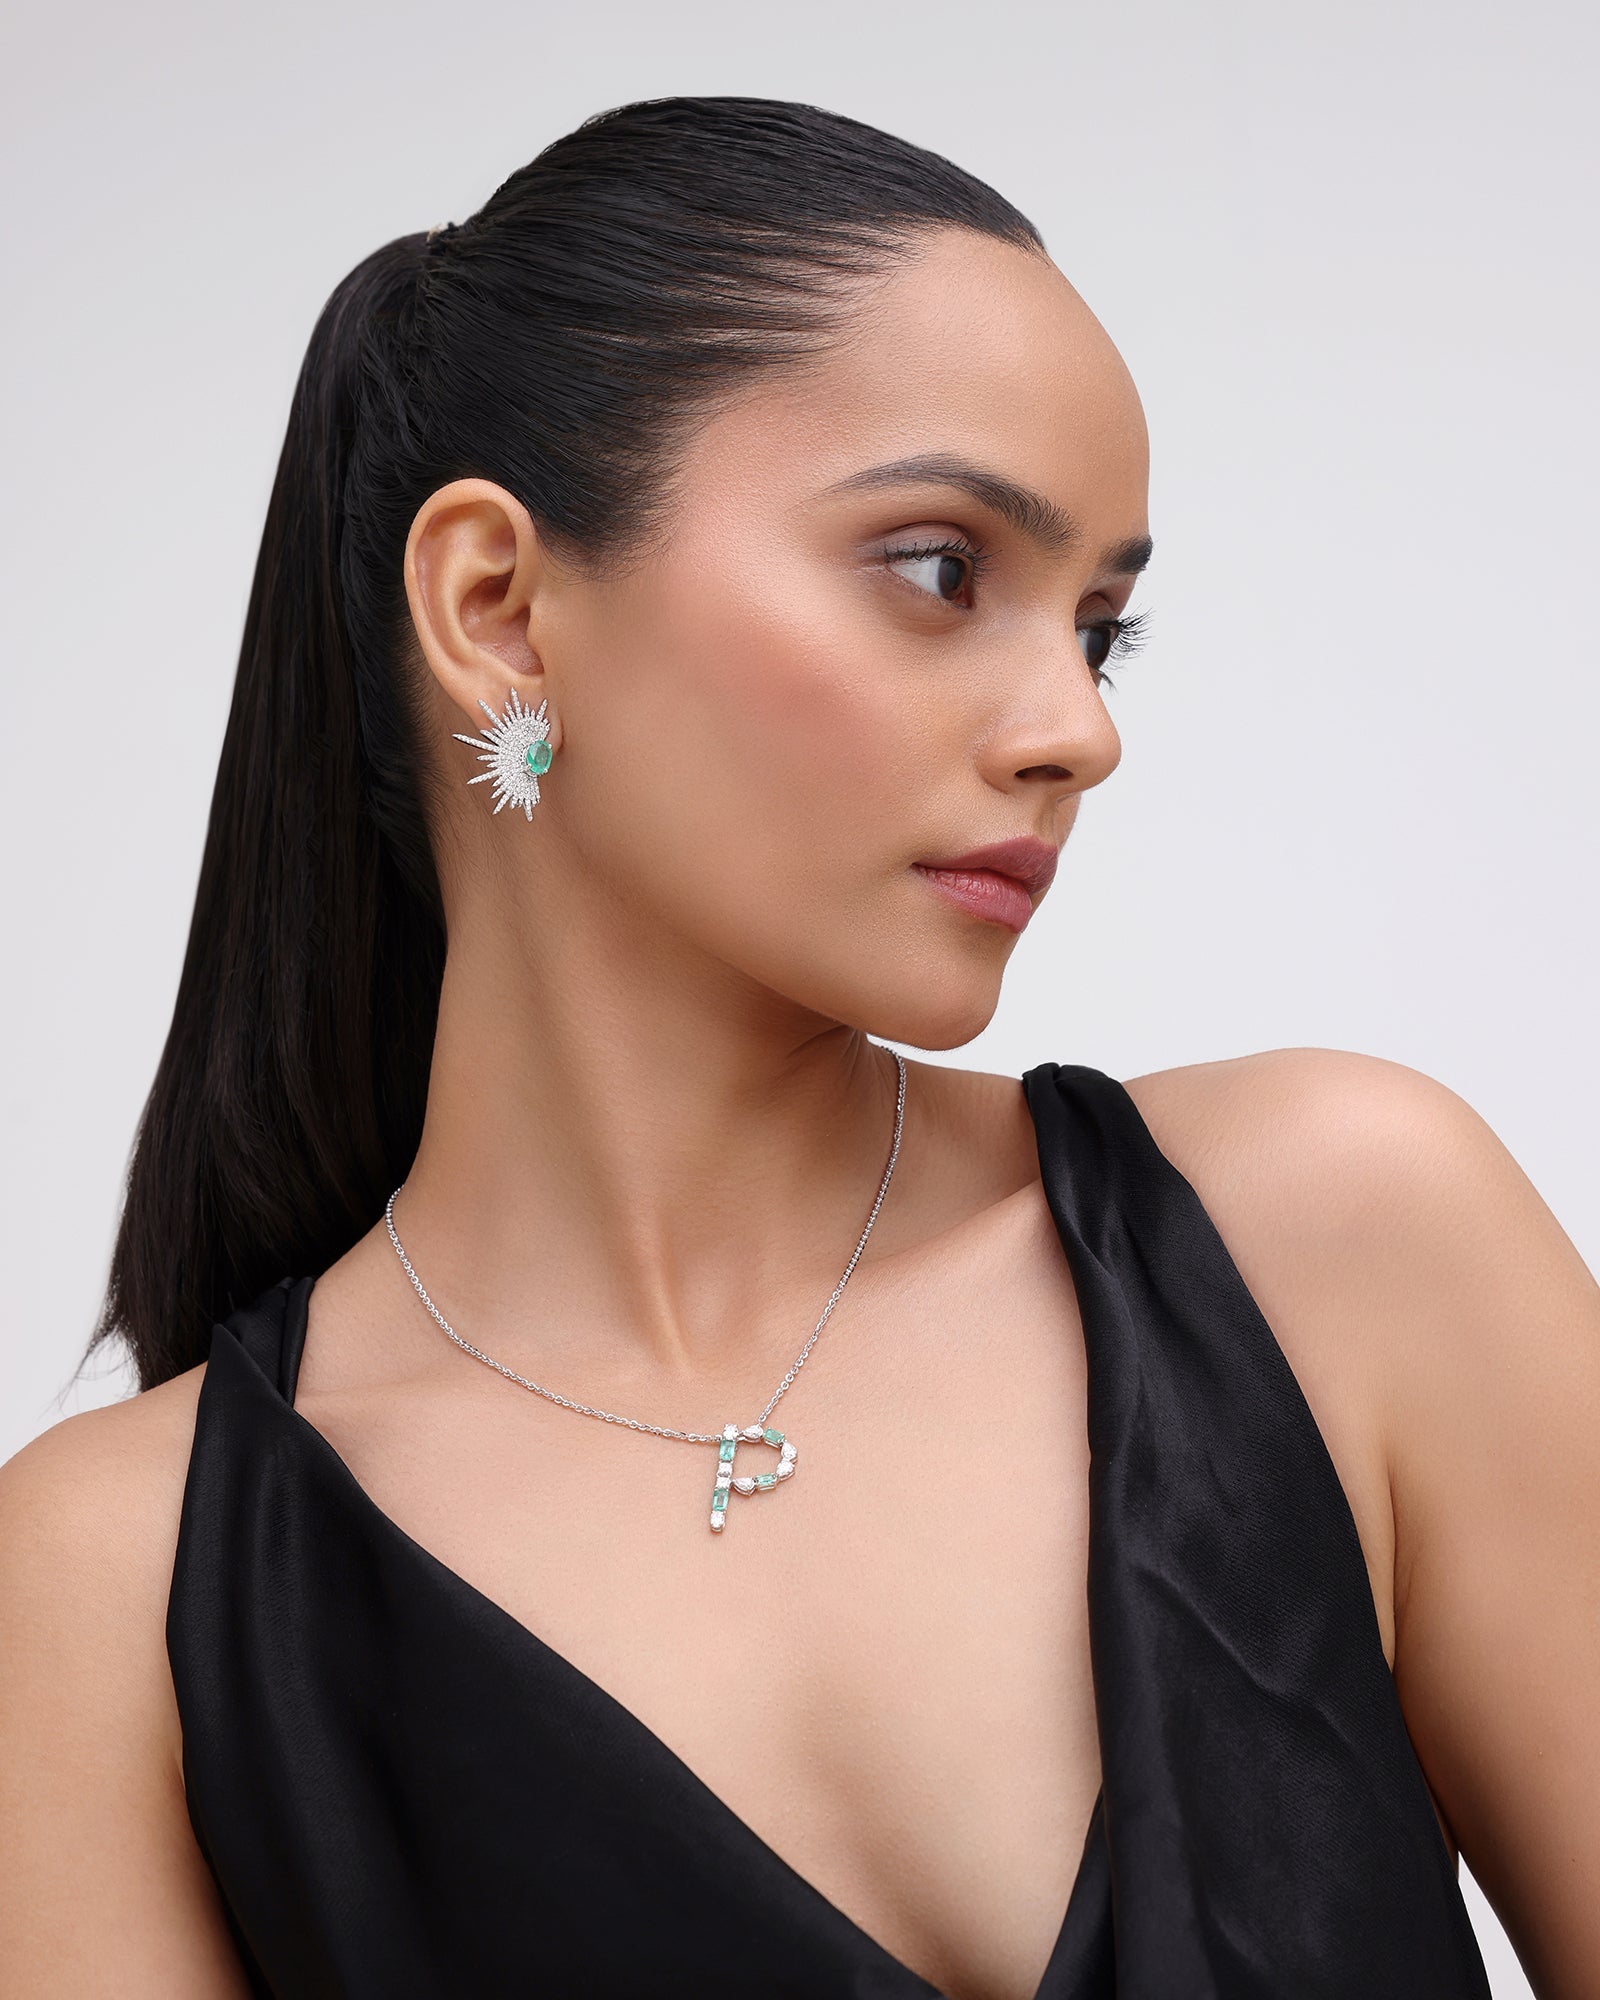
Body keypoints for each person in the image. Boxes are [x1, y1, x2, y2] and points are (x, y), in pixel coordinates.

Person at [0, 93, 1594, 2000]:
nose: (1080, 730)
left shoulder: (1345, 1244)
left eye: (1103, 628)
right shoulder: (114, 1599)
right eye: (938, 568)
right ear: (498, 608)